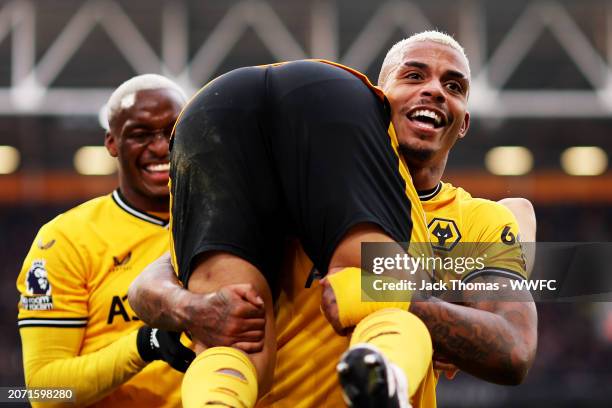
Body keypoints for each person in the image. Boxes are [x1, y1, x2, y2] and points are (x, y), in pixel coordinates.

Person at [130, 32, 537, 408]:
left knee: (381, 306)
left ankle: (378, 382)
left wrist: (405, 302)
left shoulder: (481, 219)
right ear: (376, 101)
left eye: (454, 86)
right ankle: (386, 379)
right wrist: (190, 309)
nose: (433, 90)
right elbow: (148, 286)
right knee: (248, 323)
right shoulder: (287, 177)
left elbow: (514, 350)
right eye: (413, 76)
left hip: (214, 105)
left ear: (464, 121)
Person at [17, 74, 233, 407]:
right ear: (112, 143)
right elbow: (44, 392)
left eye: (172, 131)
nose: (161, 147)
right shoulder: (66, 240)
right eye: (140, 134)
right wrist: (145, 344)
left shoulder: (231, 219)